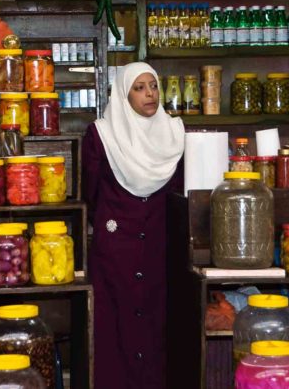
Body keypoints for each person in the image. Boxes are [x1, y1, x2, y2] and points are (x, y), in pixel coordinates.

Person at [83, 62, 186, 389]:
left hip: (160, 245)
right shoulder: (102, 135)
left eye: (153, 86)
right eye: (139, 88)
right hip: (115, 250)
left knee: (157, 326)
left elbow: (181, 193)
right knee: (116, 327)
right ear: (124, 94)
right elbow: (90, 190)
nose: (150, 94)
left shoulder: (174, 133)